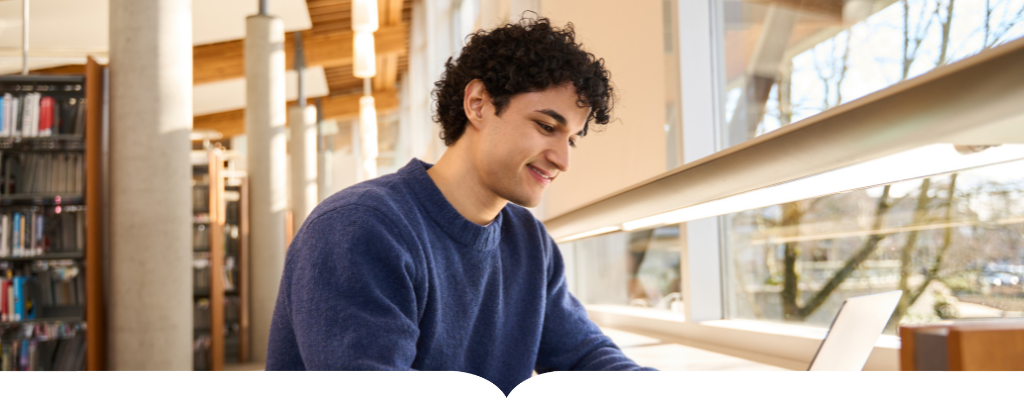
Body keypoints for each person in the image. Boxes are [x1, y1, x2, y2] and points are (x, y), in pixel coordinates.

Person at [266, 16, 654, 394]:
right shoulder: (360, 228)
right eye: (546, 127)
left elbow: (584, 357)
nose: (562, 160)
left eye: (570, 139)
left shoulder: (527, 240)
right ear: (478, 103)